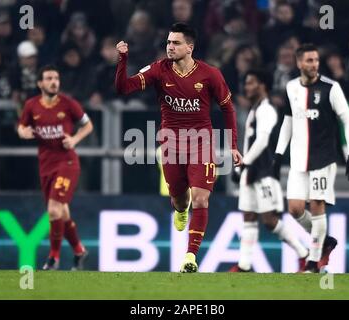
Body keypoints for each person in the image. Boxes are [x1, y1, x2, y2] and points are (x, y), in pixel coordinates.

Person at [115, 22, 242, 273]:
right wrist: (122, 59)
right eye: (168, 42)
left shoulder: (210, 75)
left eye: (175, 43)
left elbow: (228, 108)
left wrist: (233, 146)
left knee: (201, 198)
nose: (170, 47)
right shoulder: (158, 70)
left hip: (202, 143)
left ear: (189, 47)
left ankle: (190, 256)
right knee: (181, 201)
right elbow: (123, 88)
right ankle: (180, 210)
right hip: (171, 144)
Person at [273, 44, 349, 273]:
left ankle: (313, 262)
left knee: (317, 204)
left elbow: (347, 120)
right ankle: (325, 241)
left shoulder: (331, 88)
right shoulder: (291, 87)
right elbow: (288, 122)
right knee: (294, 209)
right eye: (309, 60)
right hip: (298, 159)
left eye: (316, 60)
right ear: (299, 63)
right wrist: (278, 154)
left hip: (323, 158)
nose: (314, 64)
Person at [230, 69, 309, 272]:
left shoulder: (267, 110)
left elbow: (263, 141)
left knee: (270, 221)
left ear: (262, 85)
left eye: (251, 83)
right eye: (246, 84)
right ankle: (244, 265)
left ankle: (304, 254)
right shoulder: (255, 109)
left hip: (264, 171)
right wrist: (243, 169)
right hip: (251, 172)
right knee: (248, 217)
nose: (247, 87)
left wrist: (244, 162)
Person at [17, 65, 93, 270]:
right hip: (46, 164)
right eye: (49, 78)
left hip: (67, 163)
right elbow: (22, 127)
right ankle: (79, 250)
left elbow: (88, 125)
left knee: (53, 210)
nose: (54, 82)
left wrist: (75, 139)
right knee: (62, 212)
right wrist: (23, 132)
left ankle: (53, 258)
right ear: (40, 83)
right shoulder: (32, 105)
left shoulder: (68, 104)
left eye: (56, 78)